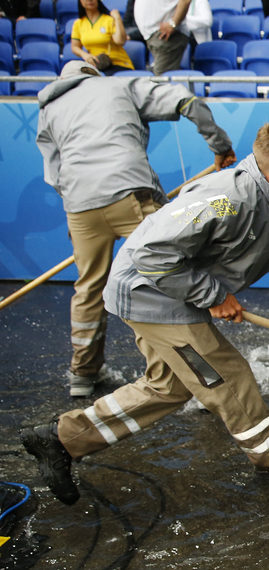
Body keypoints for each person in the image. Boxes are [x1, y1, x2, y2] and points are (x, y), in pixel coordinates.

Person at [21, 117, 269, 507]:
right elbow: (152, 255)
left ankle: (61, 439)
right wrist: (213, 295)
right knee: (227, 375)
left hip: (175, 292)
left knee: (168, 387)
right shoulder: (226, 198)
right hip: (153, 293)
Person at [35, 60, 234, 398]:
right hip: (131, 193)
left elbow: (53, 173)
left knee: (89, 287)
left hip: (80, 205)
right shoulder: (118, 86)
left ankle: (82, 373)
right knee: (163, 278)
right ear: (92, 74)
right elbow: (186, 100)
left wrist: (86, 208)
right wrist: (220, 146)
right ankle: (191, 379)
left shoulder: (49, 108)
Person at [70, 0, 134, 74]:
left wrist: (117, 19)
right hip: (97, 65)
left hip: (117, 64)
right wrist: (85, 55)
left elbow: (120, 41)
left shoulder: (109, 20)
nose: (90, 0)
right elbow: (75, 46)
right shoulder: (78, 23)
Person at [133, 0, 191, 75]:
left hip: (167, 35)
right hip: (155, 35)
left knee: (162, 77)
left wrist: (173, 23)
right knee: (162, 77)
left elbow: (185, 1)